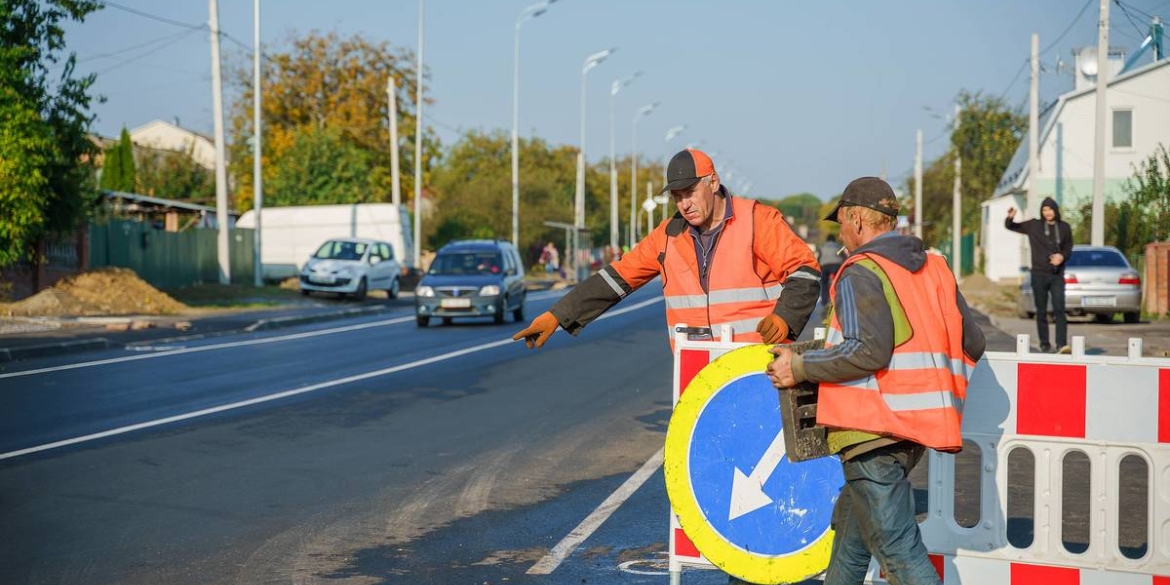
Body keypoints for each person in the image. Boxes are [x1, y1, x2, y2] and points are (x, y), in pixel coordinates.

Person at [767, 177, 986, 585]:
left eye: (841, 226)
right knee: (849, 551)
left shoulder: (859, 271)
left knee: (901, 555)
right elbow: (973, 341)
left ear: (856, 219)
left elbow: (866, 351)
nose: (841, 236)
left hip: (870, 433)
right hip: (913, 434)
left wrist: (797, 368)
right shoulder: (934, 265)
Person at [513, 146, 821, 351]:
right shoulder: (667, 235)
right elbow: (617, 277)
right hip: (696, 366)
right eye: (677, 196)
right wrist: (559, 314)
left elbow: (805, 271)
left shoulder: (757, 220)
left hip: (755, 362)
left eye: (690, 192)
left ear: (712, 182)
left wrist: (785, 318)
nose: (684, 203)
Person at [1005, 197, 1073, 353]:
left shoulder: (1064, 228)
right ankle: (1044, 344)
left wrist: (1062, 257)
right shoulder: (1034, 225)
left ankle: (1061, 344)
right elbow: (1011, 226)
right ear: (1041, 212)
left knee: (1059, 309)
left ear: (1055, 210)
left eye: (1050, 209)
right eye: (1044, 210)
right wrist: (1010, 217)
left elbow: (1069, 248)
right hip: (1038, 274)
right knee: (1041, 311)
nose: (1047, 212)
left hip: (1056, 275)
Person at [818, 234, 842, 304]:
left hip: (825, 265)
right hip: (836, 265)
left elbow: (819, 257)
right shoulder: (837, 246)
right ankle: (837, 299)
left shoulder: (822, 246)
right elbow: (843, 256)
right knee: (838, 282)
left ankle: (824, 301)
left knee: (824, 283)